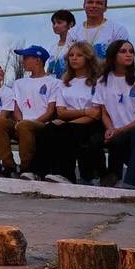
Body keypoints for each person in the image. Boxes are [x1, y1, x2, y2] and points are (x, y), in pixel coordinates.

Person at [34, 42, 102, 183]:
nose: (74, 58)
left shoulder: (98, 82)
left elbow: (95, 114)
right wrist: (84, 111)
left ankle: (66, 175)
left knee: (63, 130)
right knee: (48, 129)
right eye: (71, 55)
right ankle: (39, 172)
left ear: (88, 58)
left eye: (79, 55)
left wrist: (69, 121)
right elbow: (61, 112)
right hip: (70, 122)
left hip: (91, 124)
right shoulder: (64, 82)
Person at [0, 46, 61, 179]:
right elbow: (16, 107)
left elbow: (51, 110)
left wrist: (30, 123)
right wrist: (19, 121)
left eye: (25, 58)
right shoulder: (19, 83)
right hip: (21, 123)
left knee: (25, 126)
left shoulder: (55, 82)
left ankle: (27, 168)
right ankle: (9, 166)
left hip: (42, 124)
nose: (22, 61)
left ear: (37, 60)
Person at [93, 40, 135, 189]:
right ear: (113, 55)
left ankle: (133, 183)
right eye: (123, 51)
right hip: (116, 130)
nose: (129, 54)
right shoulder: (102, 81)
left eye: (131, 51)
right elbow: (103, 111)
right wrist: (110, 128)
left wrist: (122, 130)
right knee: (91, 140)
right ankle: (102, 177)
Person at [66, 0, 130, 60]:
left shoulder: (118, 29)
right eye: (90, 2)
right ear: (84, 6)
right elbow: (70, 58)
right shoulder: (73, 32)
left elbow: (121, 57)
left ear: (105, 8)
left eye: (99, 3)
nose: (94, 6)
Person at [46, 9, 76, 78]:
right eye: (54, 23)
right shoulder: (53, 46)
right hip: (53, 84)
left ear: (70, 24)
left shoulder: (75, 45)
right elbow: (49, 68)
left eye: (59, 23)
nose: (55, 26)